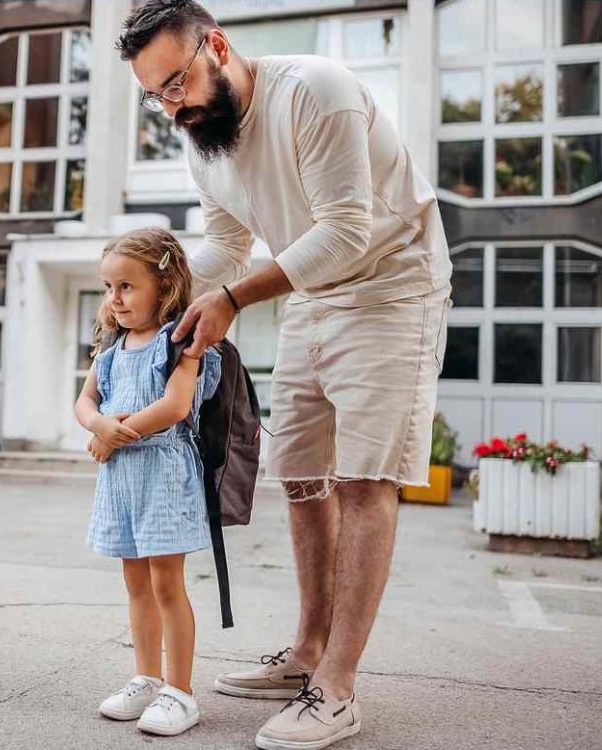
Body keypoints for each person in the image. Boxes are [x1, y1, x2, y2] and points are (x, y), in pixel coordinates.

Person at [117, 2, 453, 749]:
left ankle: (337, 689)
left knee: (365, 479)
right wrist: (148, 308)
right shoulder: (204, 141)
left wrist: (232, 301)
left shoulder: (315, 91)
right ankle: (307, 652)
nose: (174, 107)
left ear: (219, 46)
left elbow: (345, 230)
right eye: (157, 95)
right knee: (302, 473)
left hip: (393, 285)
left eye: (178, 82)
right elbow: (227, 245)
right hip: (311, 289)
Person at [74, 227, 222, 738]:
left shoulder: (179, 341)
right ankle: (146, 676)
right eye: (108, 287)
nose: (114, 298)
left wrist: (117, 435)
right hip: (121, 479)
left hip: (162, 472)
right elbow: (84, 402)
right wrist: (99, 426)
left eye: (126, 286)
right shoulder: (112, 346)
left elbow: (177, 406)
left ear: (164, 284)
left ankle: (180, 692)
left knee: (166, 582)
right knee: (135, 581)